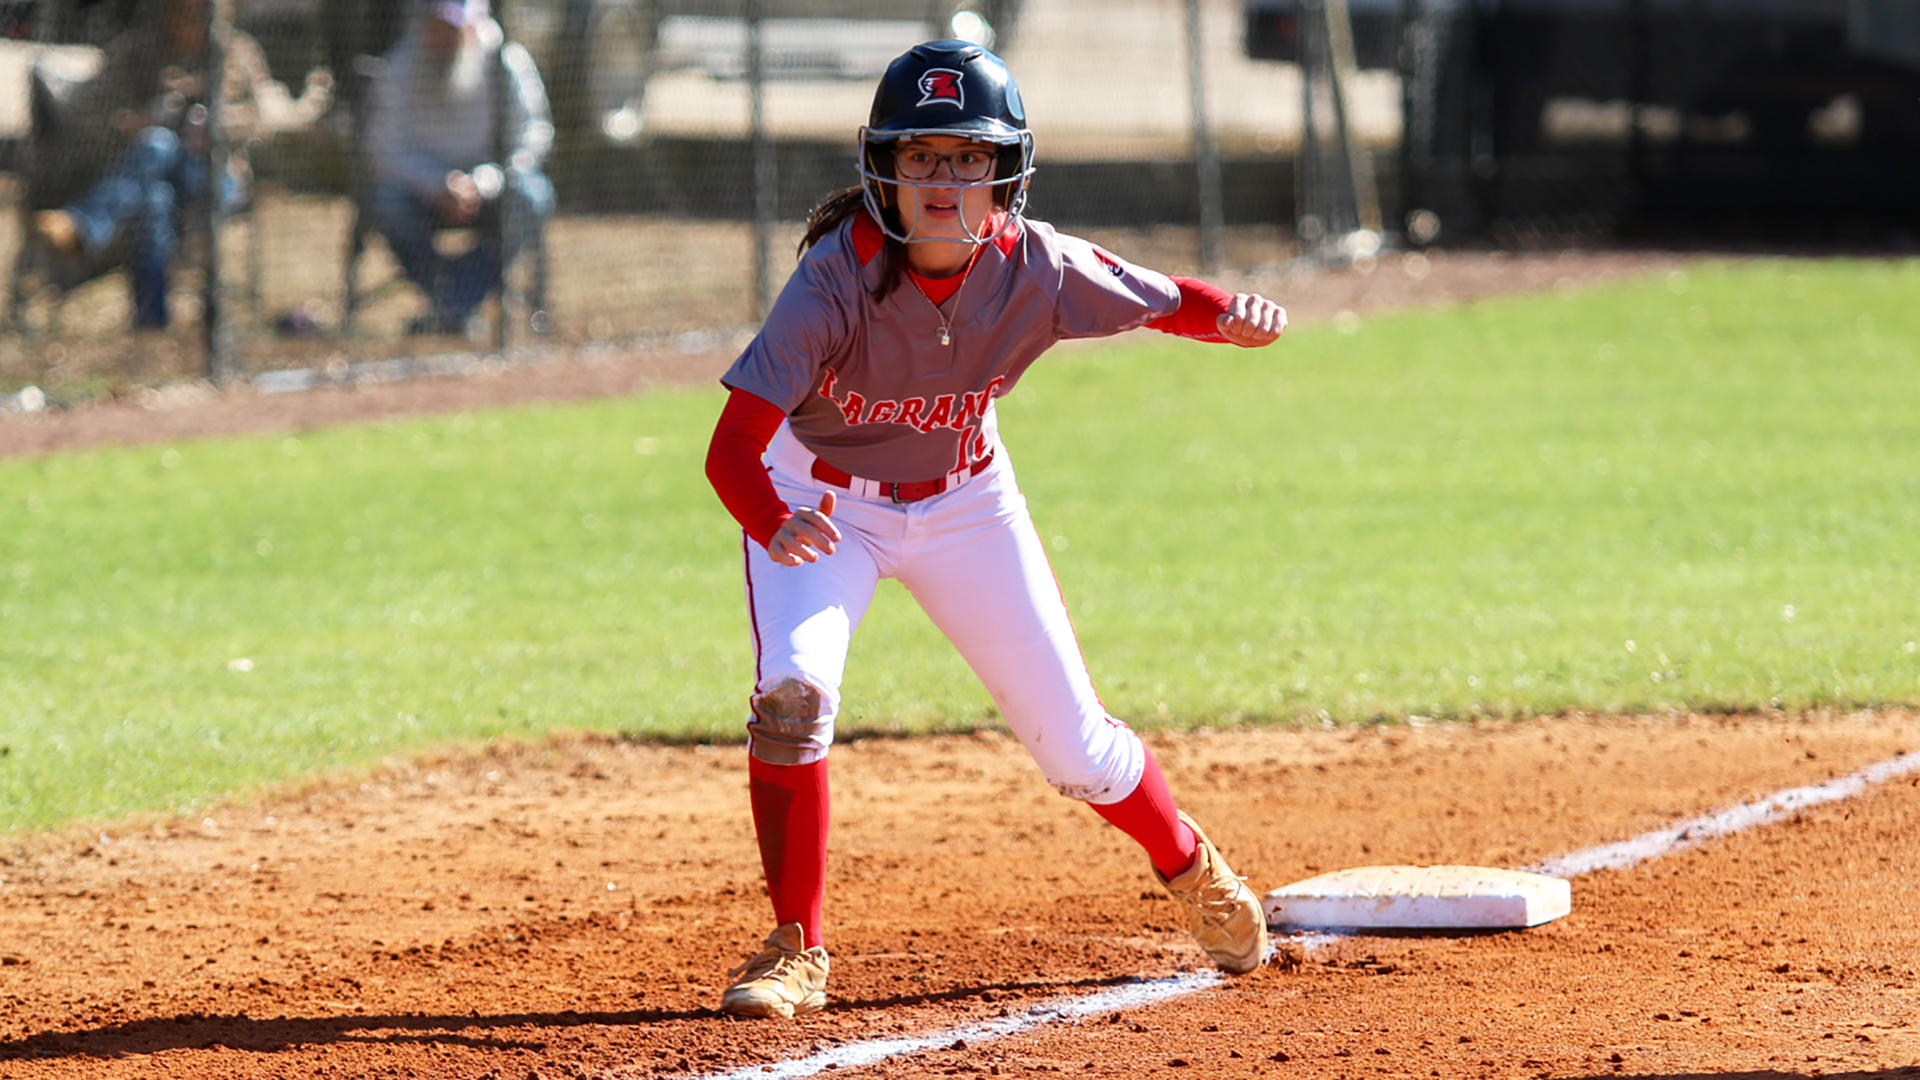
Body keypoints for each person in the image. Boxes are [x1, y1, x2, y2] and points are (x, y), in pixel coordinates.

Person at [703, 40, 1290, 1019]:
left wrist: (1231, 315)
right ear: (882, 170)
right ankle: (796, 945)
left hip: (966, 501)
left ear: (1005, 173)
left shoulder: (1039, 268)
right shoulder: (831, 283)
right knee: (793, 698)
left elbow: (1162, 299)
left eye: (969, 157)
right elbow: (731, 448)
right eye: (922, 155)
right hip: (820, 505)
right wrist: (772, 519)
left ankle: (1190, 865)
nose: (944, 179)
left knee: (1079, 751)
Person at [27, 0, 333, 329]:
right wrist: (134, 122)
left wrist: (213, 125)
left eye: (194, 11)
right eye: (176, 10)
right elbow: (93, 113)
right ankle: (152, 323)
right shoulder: (137, 50)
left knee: (157, 150)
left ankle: (83, 225)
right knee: (156, 191)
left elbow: (261, 119)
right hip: (152, 175)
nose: (184, 19)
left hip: (218, 174)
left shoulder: (236, 51)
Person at [360, 0, 554, 337]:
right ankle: (451, 303)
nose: (444, 38)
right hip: (421, 192)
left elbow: (532, 139)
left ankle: (453, 305)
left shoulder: (505, 60)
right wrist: (437, 185)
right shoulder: (399, 66)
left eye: (453, 28)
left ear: (473, 25)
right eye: (438, 27)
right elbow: (383, 150)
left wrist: (482, 183)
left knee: (533, 195)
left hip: (491, 190)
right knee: (384, 201)